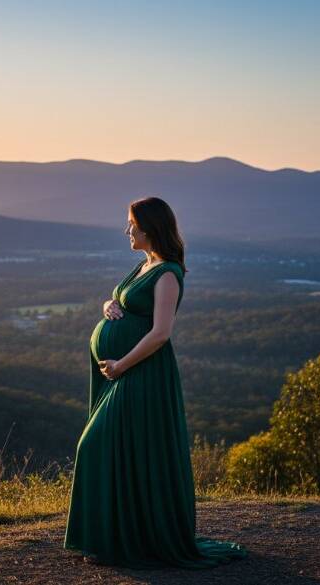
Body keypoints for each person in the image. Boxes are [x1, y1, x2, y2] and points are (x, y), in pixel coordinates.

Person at [63, 196, 247, 569]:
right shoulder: (144, 265)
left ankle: (118, 540)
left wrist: (121, 366)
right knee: (121, 451)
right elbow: (123, 301)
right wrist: (108, 306)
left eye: (131, 224)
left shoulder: (167, 273)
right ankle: (112, 539)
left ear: (149, 229)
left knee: (94, 444)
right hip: (121, 372)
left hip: (141, 373)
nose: (127, 230)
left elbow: (161, 333)